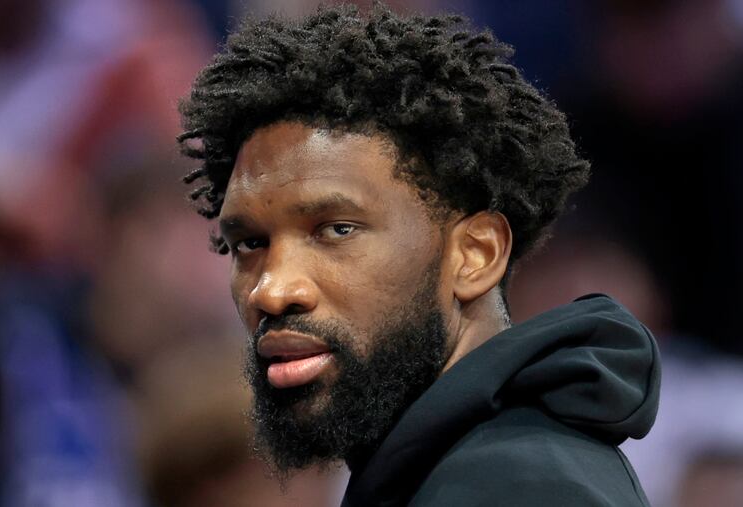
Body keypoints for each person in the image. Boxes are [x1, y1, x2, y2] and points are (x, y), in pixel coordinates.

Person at [177, 3, 660, 506]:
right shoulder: (459, 470)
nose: (271, 291)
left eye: (337, 229)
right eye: (250, 244)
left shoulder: (520, 489)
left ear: (475, 255)